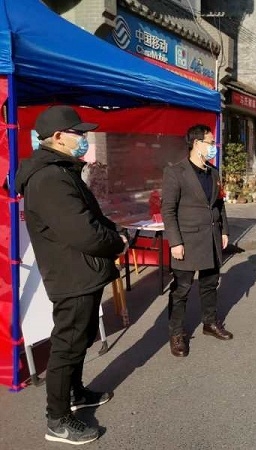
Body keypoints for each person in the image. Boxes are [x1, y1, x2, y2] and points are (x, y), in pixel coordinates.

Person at [15, 105, 127, 445]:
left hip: (83, 271)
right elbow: (85, 232)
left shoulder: (63, 170)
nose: (84, 138)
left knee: (80, 339)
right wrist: (117, 243)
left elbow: (91, 216)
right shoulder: (49, 178)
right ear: (58, 137)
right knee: (67, 345)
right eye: (79, 133)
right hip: (72, 275)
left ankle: (75, 393)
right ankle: (58, 419)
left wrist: (114, 232)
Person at [161, 124, 232, 358]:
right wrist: (175, 242)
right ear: (196, 143)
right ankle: (176, 334)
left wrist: (224, 231)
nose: (214, 147)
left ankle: (209, 323)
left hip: (211, 238)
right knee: (181, 290)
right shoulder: (176, 172)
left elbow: (219, 204)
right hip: (187, 240)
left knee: (210, 284)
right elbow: (168, 210)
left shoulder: (213, 172)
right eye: (211, 143)